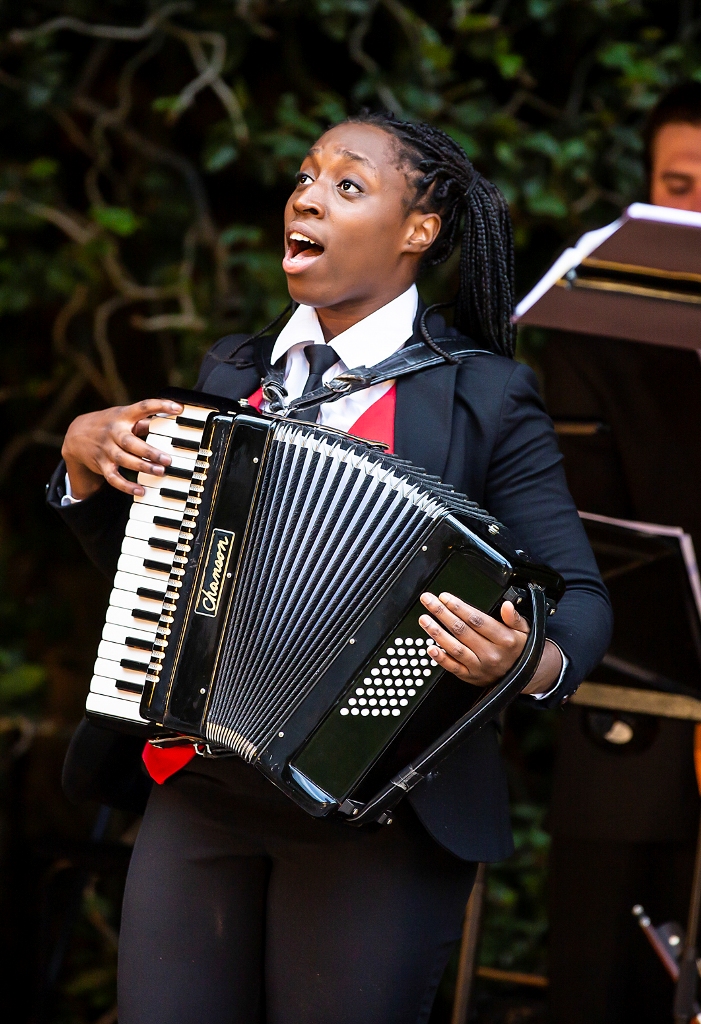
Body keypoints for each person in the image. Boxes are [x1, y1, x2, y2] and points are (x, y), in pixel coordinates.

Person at [48, 113, 611, 1024]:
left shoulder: (483, 395)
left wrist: (526, 661)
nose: (305, 195)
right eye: (304, 176)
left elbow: (581, 601)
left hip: (378, 816)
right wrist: (81, 471)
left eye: (348, 184)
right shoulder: (234, 374)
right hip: (205, 787)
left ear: (417, 231)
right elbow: (160, 587)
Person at [542, 82, 701, 1024]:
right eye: (677, 187)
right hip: (632, 706)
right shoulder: (587, 332)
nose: (696, 213)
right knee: (603, 980)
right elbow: (587, 537)